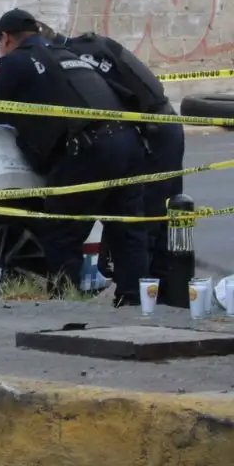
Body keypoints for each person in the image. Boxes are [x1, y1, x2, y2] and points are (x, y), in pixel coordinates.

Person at [0, 9, 149, 307]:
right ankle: (136, 305)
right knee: (126, 229)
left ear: (6, 38)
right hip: (128, 142)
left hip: (88, 150)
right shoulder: (66, 53)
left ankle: (66, 307)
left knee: (61, 233)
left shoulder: (14, 62)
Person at [36, 21, 184, 282]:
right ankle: (152, 292)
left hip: (153, 132)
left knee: (147, 218)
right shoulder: (92, 45)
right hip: (165, 125)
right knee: (154, 217)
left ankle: (153, 293)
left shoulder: (75, 60)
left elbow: (112, 99)